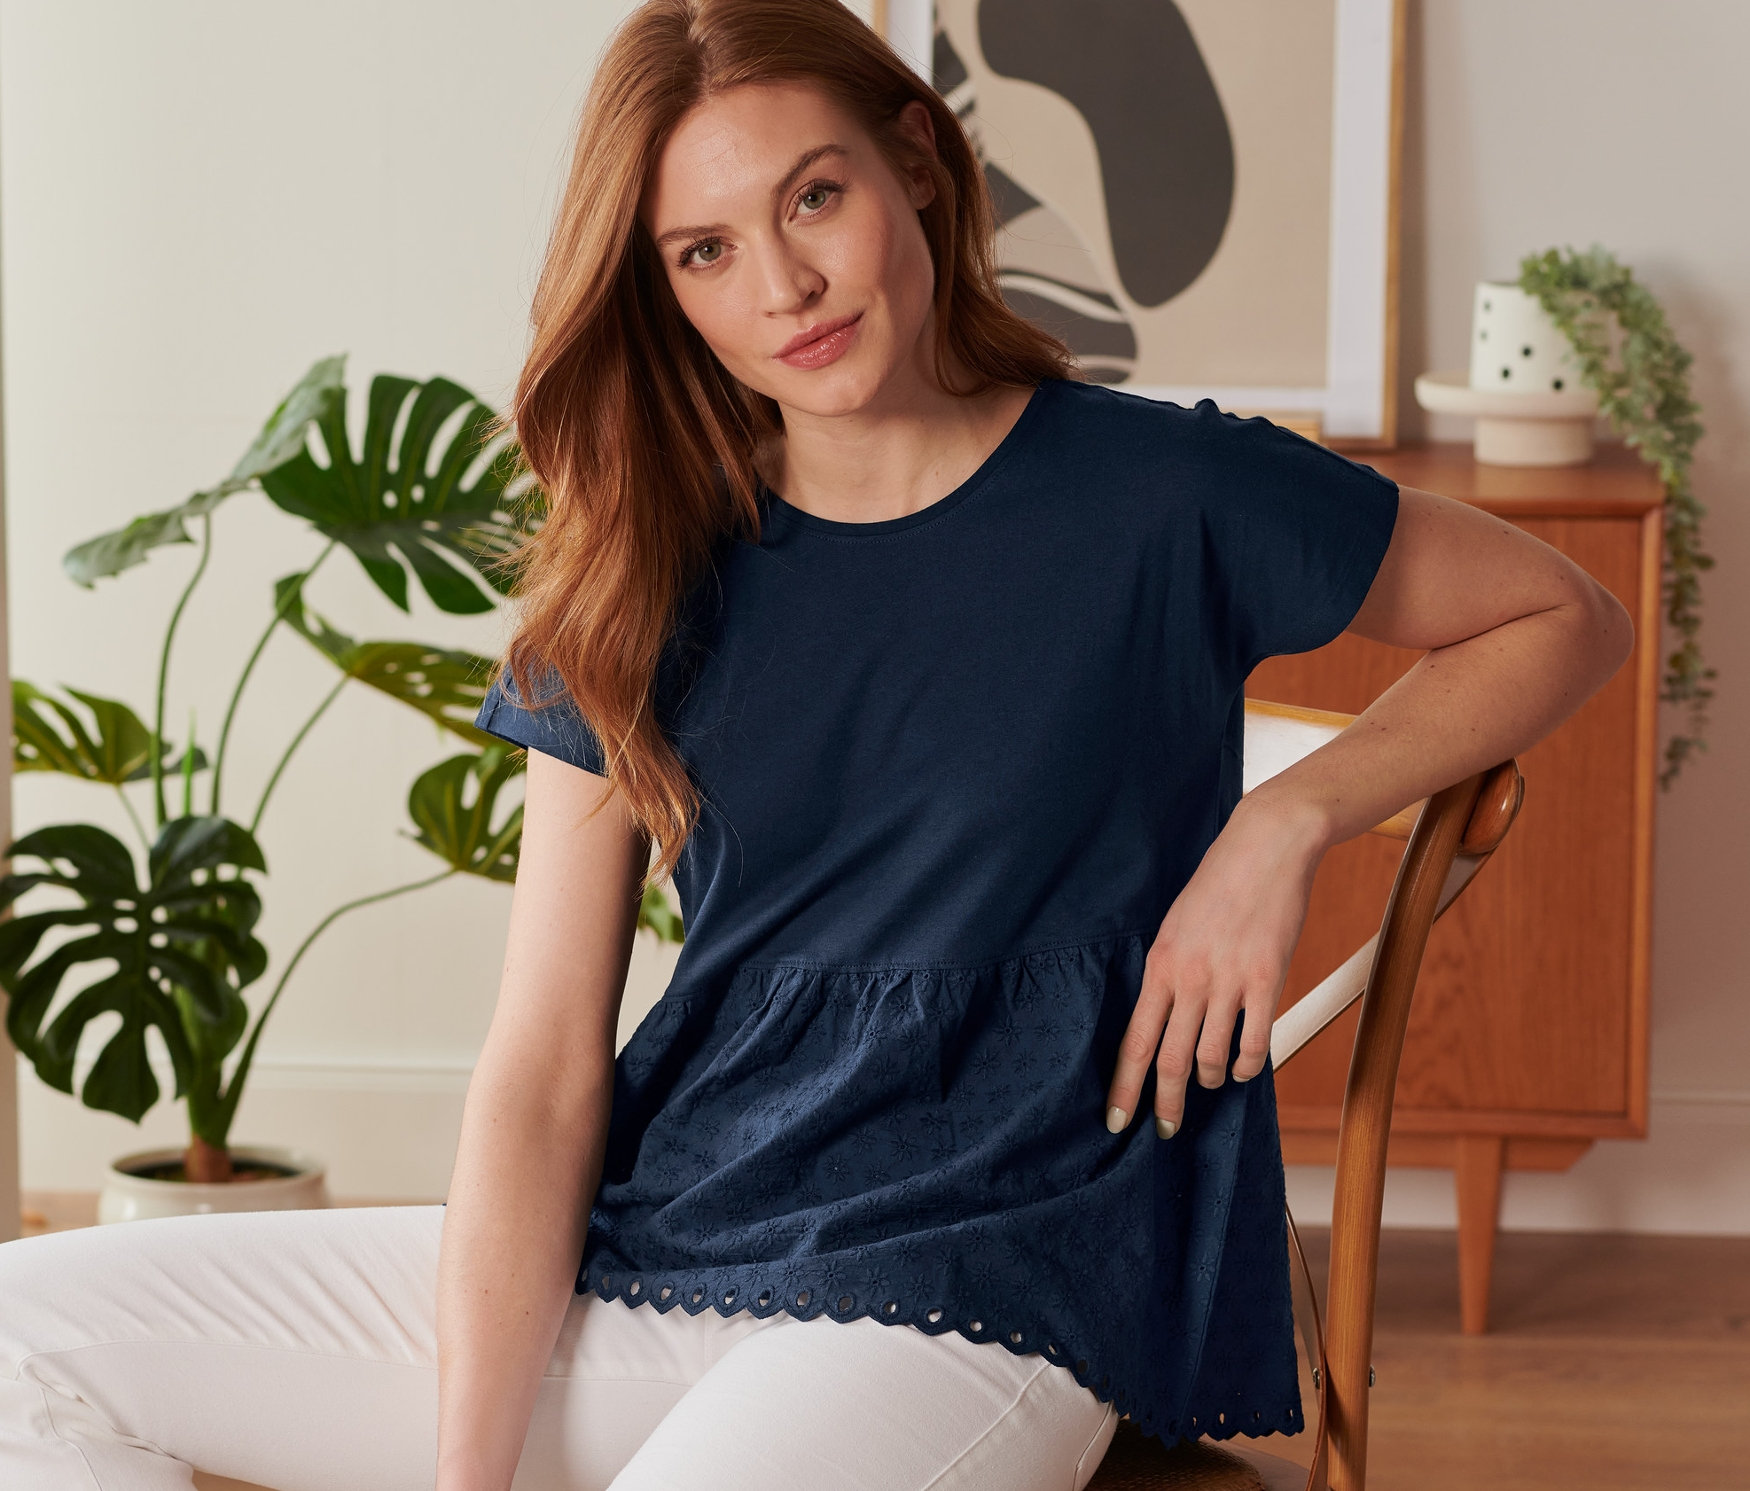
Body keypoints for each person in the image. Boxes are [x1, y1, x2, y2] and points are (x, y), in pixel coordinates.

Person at [0, 2, 1633, 1488]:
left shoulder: (1165, 495)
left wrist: (1279, 825)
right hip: (675, 1238)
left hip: (992, 1282)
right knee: (21, 1344)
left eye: (810, 198)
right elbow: (543, 1066)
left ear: (915, 165)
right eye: (700, 251)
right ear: (655, 288)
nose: (778, 288)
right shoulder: (638, 567)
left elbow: (1560, 615)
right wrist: (468, 1482)